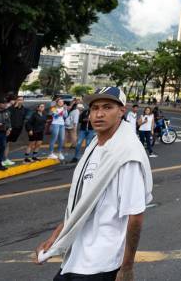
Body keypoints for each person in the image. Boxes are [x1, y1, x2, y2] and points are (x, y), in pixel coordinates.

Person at [35, 87, 153, 281]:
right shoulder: (95, 146)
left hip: (101, 264)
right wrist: (54, 238)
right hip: (76, 257)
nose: (99, 114)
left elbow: (136, 216)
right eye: (95, 108)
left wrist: (127, 267)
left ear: (122, 111)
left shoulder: (126, 155)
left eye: (107, 107)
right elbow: (82, 203)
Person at [6, 95, 30, 167]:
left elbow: (27, 116)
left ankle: (5, 158)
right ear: (16, 101)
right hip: (9, 128)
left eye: (21, 100)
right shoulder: (11, 109)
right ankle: (4, 159)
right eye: (18, 99)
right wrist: (14, 106)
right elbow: (7, 116)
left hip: (18, 129)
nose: (20, 101)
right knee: (6, 144)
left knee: (9, 143)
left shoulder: (24, 109)